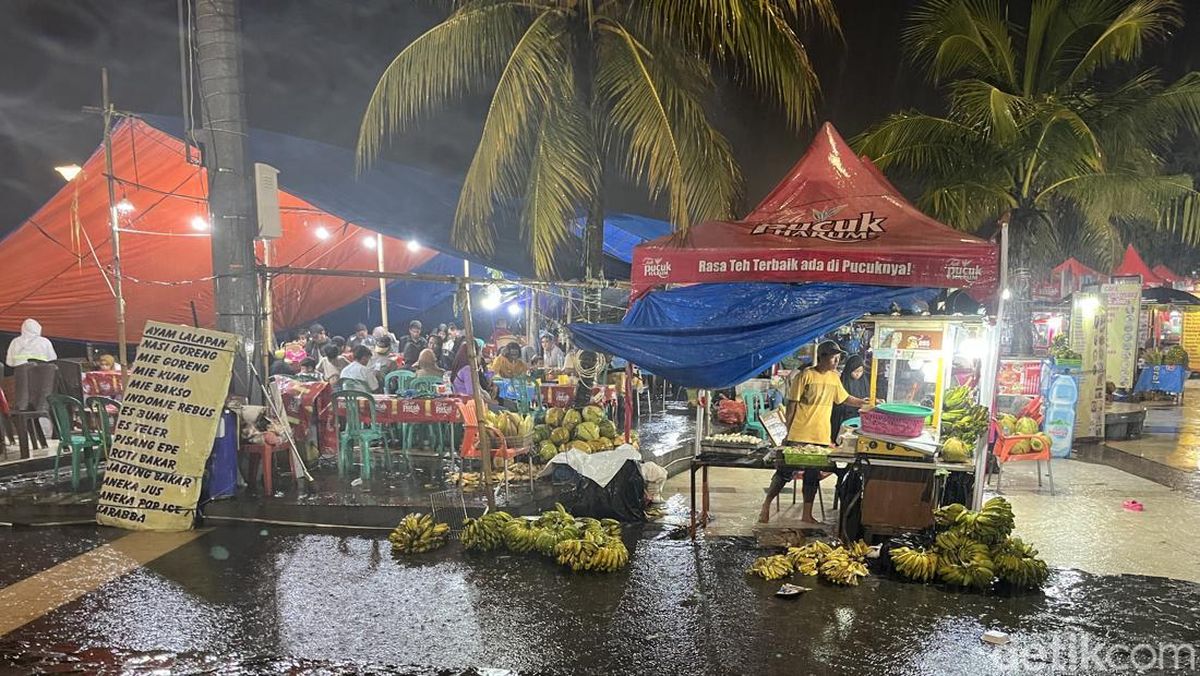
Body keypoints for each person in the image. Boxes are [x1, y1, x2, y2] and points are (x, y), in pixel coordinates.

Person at [759, 340, 868, 525]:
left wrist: (864, 402)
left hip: (821, 436)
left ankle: (807, 514)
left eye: (838, 358)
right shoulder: (805, 376)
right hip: (799, 434)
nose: (836, 361)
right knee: (784, 473)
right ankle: (766, 506)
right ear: (822, 357)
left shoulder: (834, 378)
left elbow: (844, 398)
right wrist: (788, 432)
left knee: (812, 475)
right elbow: (792, 405)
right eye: (833, 358)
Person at [830, 354, 870, 442]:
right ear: (849, 370)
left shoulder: (864, 382)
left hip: (858, 416)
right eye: (855, 371)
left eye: (860, 371)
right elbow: (841, 400)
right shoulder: (842, 381)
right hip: (843, 416)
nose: (858, 374)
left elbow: (867, 397)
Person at [450, 341, 496, 405]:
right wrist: (491, 403)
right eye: (480, 353)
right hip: (468, 405)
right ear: (474, 355)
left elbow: (479, 389)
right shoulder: (467, 370)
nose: (481, 356)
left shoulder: (464, 367)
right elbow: (472, 395)